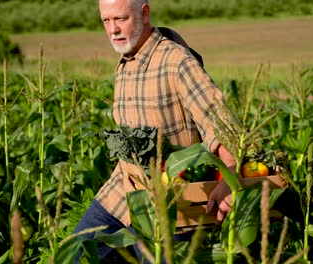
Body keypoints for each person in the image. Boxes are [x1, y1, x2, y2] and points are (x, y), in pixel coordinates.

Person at [72, 0, 236, 261]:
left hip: (167, 203)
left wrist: (229, 180)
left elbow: (220, 121)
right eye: (106, 21)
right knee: (73, 255)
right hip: (122, 190)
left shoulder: (177, 61)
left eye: (120, 19)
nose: (113, 29)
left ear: (144, 13)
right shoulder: (125, 63)